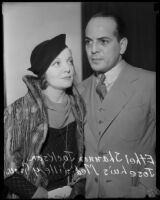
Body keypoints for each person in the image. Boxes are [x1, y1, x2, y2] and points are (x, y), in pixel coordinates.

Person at [78, 12, 158, 198]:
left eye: (103, 41)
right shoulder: (79, 90)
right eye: (88, 41)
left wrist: (147, 186)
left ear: (122, 45)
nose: (93, 49)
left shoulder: (150, 83)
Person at [4, 34, 86, 199]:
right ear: (43, 73)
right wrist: (39, 194)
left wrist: (78, 185)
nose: (68, 68)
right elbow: (8, 170)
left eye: (70, 61)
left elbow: (82, 158)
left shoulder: (79, 105)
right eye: (57, 63)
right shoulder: (18, 112)